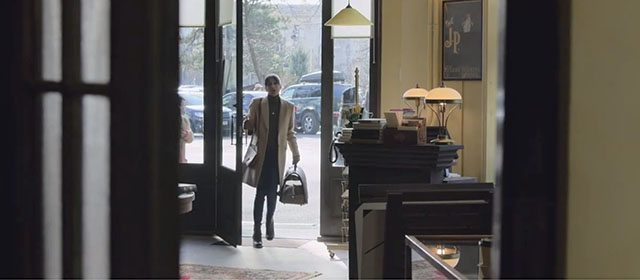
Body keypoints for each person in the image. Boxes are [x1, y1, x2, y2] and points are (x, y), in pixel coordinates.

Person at [243, 74, 300, 248]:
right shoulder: (258, 104)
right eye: (269, 84)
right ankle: (256, 232)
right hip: (262, 155)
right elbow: (250, 125)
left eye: (275, 83)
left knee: (273, 192)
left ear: (280, 86)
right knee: (261, 193)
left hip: (278, 157)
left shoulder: (288, 107)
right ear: (266, 87)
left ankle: (269, 221)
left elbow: (290, 133)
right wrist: (247, 123)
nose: (273, 86)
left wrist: (295, 152)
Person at [179, 96, 194, 163]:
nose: (183, 108)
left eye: (184, 105)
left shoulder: (184, 118)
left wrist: (186, 134)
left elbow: (190, 138)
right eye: (182, 105)